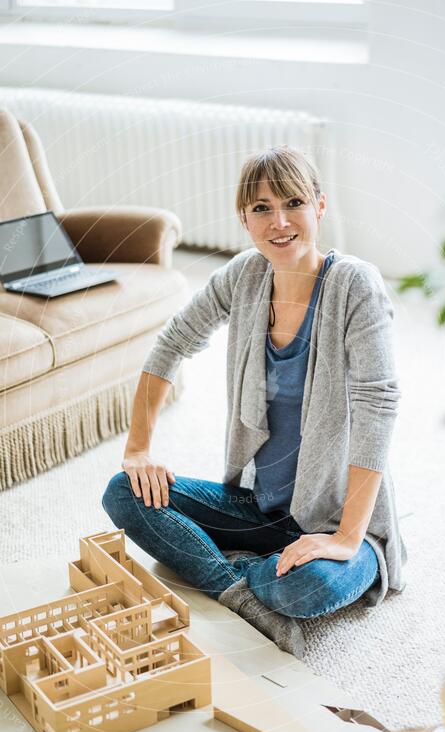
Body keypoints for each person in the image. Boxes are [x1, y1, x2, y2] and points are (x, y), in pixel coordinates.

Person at [102, 145, 407, 658]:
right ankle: (242, 594)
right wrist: (138, 447)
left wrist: (347, 538)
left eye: (293, 203)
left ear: (320, 207)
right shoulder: (244, 276)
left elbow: (379, 405)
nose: (280, 221)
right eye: (262, 208)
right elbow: (171, 344)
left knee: (302, 590)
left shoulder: (356, 286)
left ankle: (236, 573)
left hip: (340, 518)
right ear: (244, 218)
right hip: (260, 509)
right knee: (123, 493)